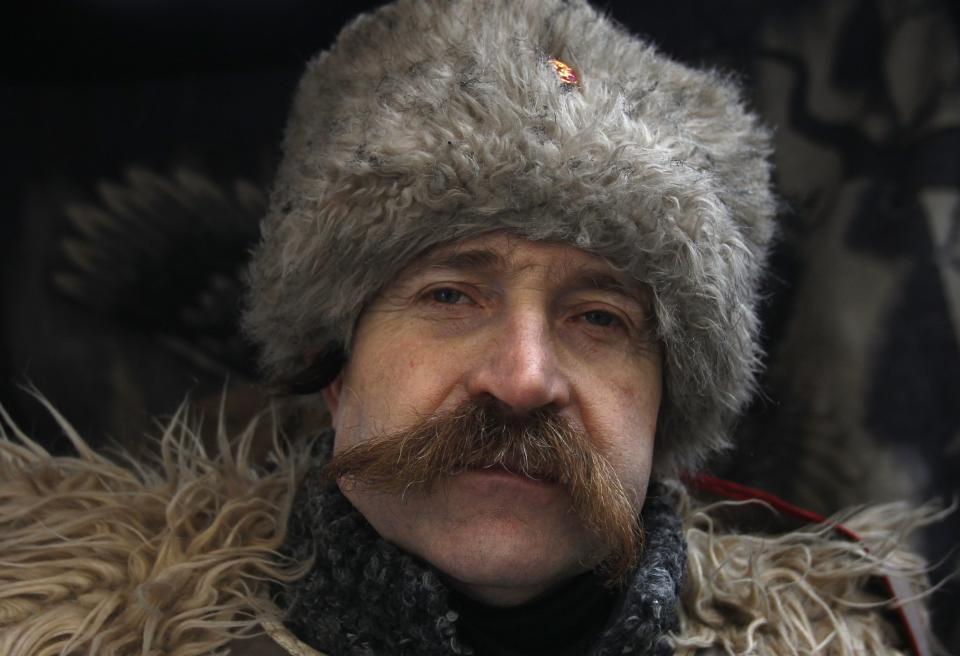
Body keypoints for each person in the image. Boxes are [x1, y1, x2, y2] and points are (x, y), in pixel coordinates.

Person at [0, 0, 937, 654]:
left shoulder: (858, 640)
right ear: (335, 369)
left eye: (600, 316)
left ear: (668, 406)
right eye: (451, 295)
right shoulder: (62, 629)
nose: (524, 378)